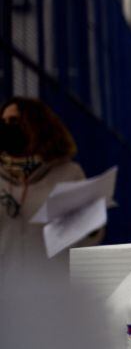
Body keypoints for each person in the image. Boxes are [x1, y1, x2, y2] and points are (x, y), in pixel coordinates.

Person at [1, 97, 102, 287]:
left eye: (14, 121)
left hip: (51, 288)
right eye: (3, 122)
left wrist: (91, 224)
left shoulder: (68, 173)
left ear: (36, 126)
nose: (7, 127)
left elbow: (88, 237)